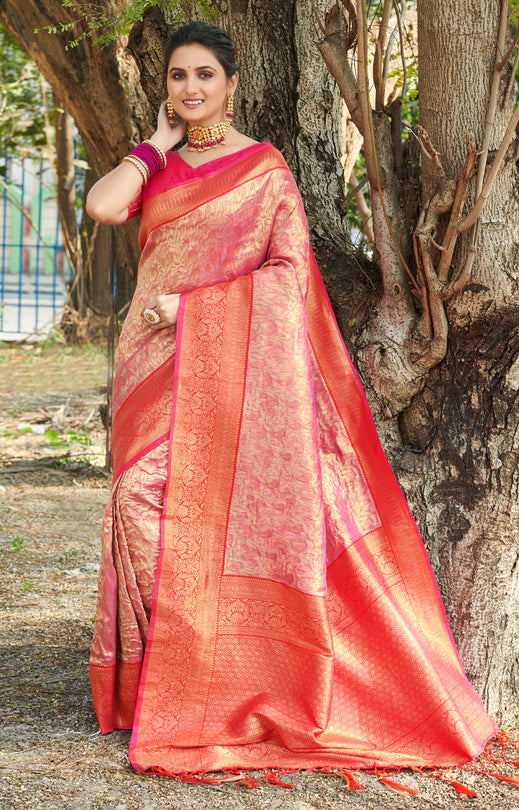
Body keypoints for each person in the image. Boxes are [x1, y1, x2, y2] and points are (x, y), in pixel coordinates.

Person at [87, 20, 496, 781]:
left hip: (230, 363)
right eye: (179, 77)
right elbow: (105, 207)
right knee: (136, 501)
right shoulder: (157, 167)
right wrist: (152, 146)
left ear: (233, 82)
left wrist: (199, 312)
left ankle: (213, 681)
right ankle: (169, 677)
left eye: (206, 75)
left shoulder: (264, 169)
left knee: (195, 505)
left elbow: (290, 276)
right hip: (151, 366)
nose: (192, 89)